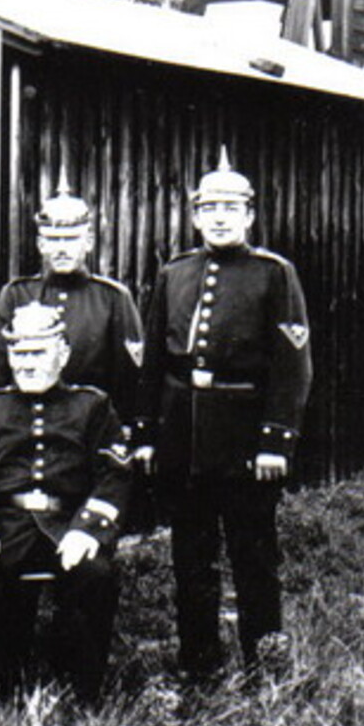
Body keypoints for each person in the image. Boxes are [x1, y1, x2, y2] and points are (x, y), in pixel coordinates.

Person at [133, 149, 312, 683]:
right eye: (209, 207)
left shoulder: (273, 274)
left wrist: (275, 442)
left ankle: (266, 667)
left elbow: (292, 367)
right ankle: (199, 666)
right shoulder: (174, 274)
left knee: (253, 557)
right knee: (192, 559)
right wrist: (147, 435)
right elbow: (154, 364)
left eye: (231, 207)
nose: (219, 216)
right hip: (184, 442)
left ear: (250, 215)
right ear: (194, 216)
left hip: (245, 446)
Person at [0, 302, 132, 703]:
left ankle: (84, 689)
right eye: (18, 352)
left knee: (94, 574)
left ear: (63, 354)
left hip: (67, 524)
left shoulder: (93, 405)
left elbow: (114, 475)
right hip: (8, 525)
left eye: (38, 352)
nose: (26, 363)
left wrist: (87, 529)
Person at [0, 186, 144, 435]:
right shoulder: (16, 295)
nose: (61, 249)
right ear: (40, 244)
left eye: (70, 239)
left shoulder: (112, 298)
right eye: (53, 239)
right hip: (25, 428)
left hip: (91, 430)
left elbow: (127, 380)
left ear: (88, 242)